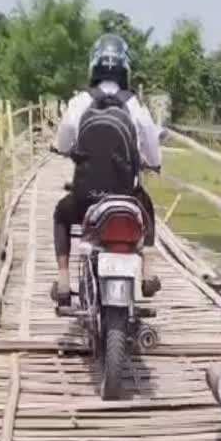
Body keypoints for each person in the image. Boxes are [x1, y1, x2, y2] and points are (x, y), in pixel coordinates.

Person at [51, 33, 163, 307]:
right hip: (126, 199)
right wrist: (153, 162)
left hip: (85, 200)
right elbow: (150, 147)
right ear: (125, 69)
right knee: (147, 207)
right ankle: (148, 269)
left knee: (60, 216)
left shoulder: (79, 103)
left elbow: (64, 140)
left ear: (93, 67)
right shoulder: (135, 105)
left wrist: (61, 148)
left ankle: (63, 279)